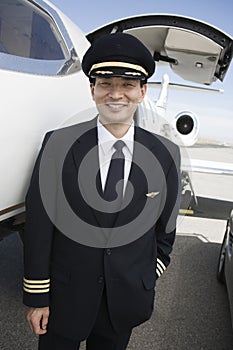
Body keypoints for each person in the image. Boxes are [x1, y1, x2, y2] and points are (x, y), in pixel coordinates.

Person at [23, 32, 181, 350]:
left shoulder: (166, 156)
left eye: (127, 85)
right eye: (106, 83)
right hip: (64, 299)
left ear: (142, 91)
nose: (116, 94)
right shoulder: (58, 144)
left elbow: (165, 231)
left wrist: (145, 277)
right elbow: (39, 225)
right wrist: (37, 295)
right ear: (93, 89)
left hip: (123, 302)